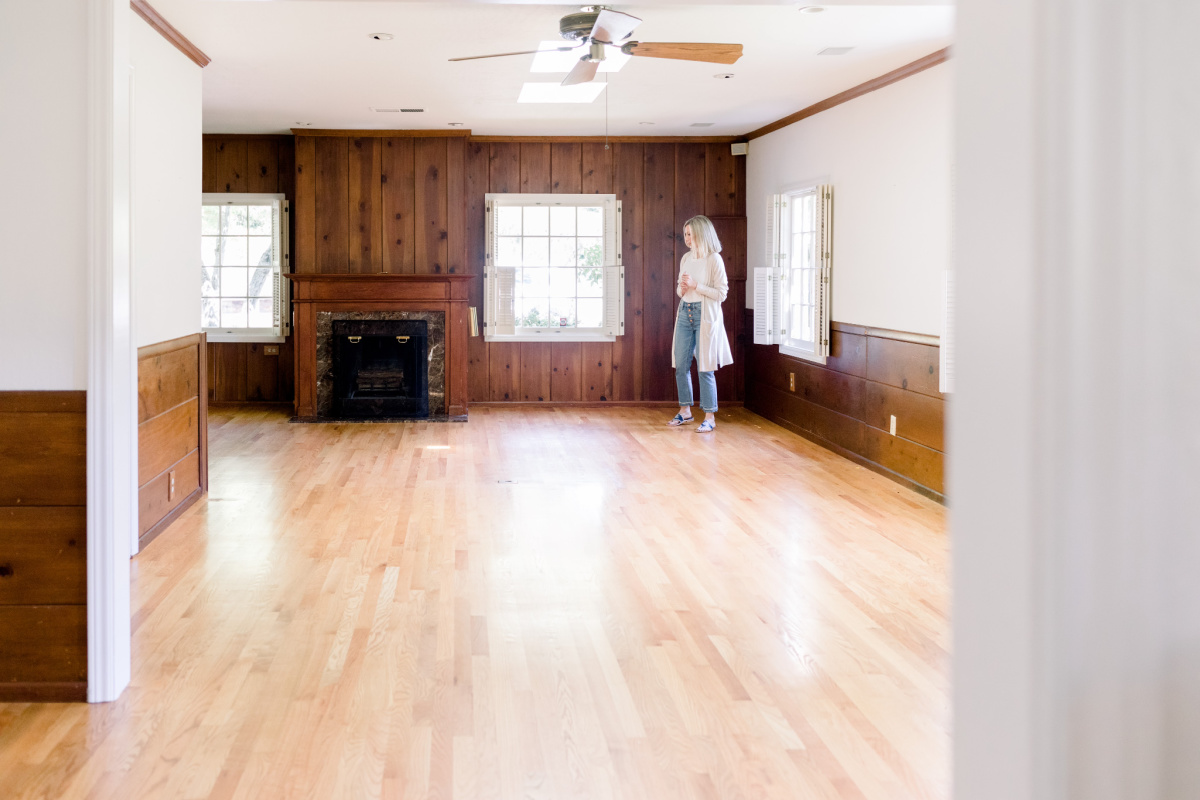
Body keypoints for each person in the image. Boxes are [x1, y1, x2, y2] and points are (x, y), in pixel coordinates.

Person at [668, 215, 733, 432]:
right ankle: (685, 411)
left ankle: (709, 416)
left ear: (701, 234)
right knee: (681, 364)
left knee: (705, 366)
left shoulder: (714, 259)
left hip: (705, 315)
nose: (687, 238)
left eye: (690, 234)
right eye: (685, 234)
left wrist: (697, 286)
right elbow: (679, 290)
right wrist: (684, 289)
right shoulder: (686, 258)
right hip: (685, 312)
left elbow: (721, 293)